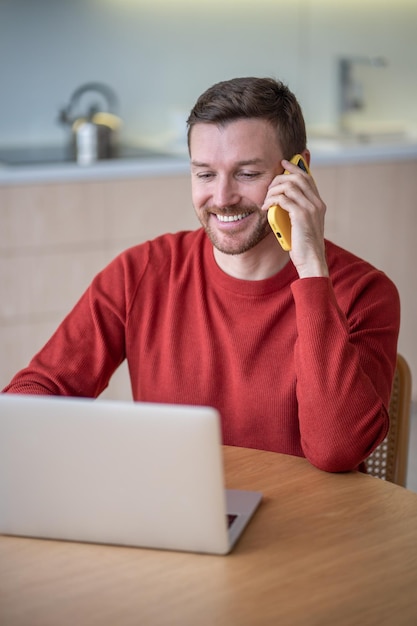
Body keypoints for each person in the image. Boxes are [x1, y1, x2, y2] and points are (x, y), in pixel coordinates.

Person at [2, 77, 400, 473]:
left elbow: (337, 450)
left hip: (315, 531)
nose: (222, 198)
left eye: (247, 174)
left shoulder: (364, 293)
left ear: (299, 172)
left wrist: (312, 268)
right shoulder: (140, 273)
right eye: (205, 174)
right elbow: (38, 393)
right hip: (177, 521)